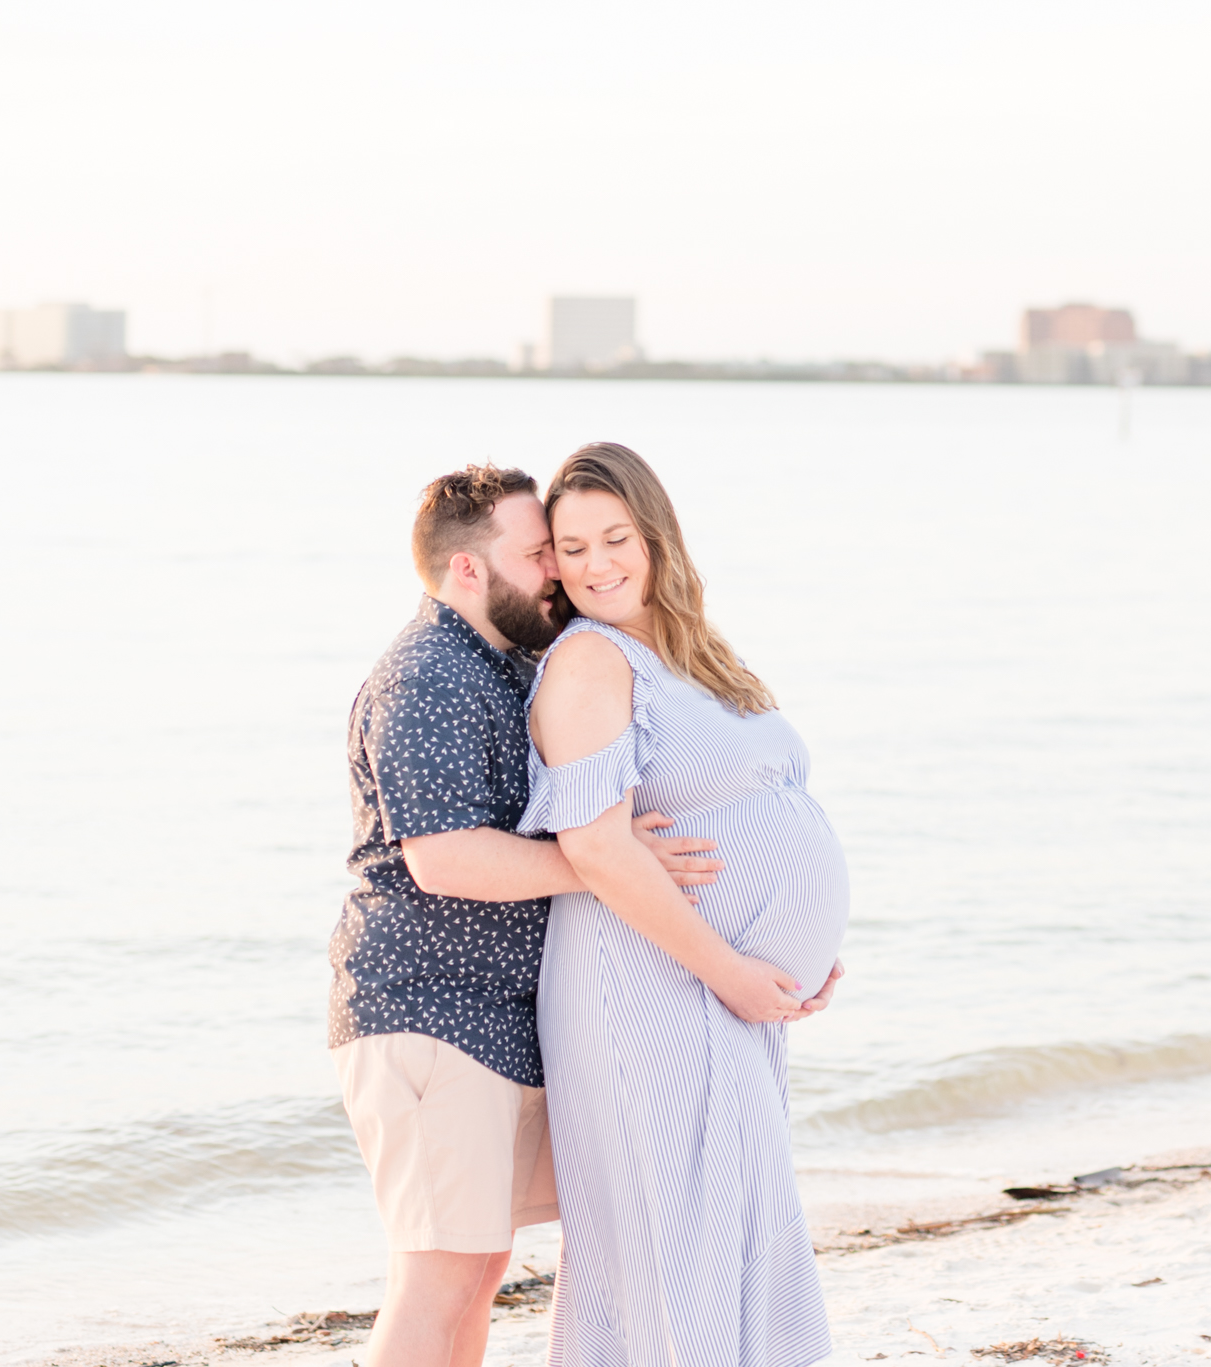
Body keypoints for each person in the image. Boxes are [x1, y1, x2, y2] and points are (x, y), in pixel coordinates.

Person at [329, 465, 825, 1367]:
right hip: (430, 1010)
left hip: (489, 1018)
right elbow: (442, 858)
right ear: (470, 570)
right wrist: (605, 861)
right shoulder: (429, 674)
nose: (560, 575)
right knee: (441, 1274)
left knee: (476, 1271)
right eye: (541, 554)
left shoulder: (503, 664)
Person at [519, 442, 849, 1367]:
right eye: (572, 549)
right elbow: (595, 847)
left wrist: (799, 954)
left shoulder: (693, 652)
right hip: (648, 988)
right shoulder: (589, 662)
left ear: (656, 536)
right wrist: (737, 970)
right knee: (676, 1245)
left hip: (723, 992)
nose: (596, 566)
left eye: (615, 538)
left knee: (733, 1230)